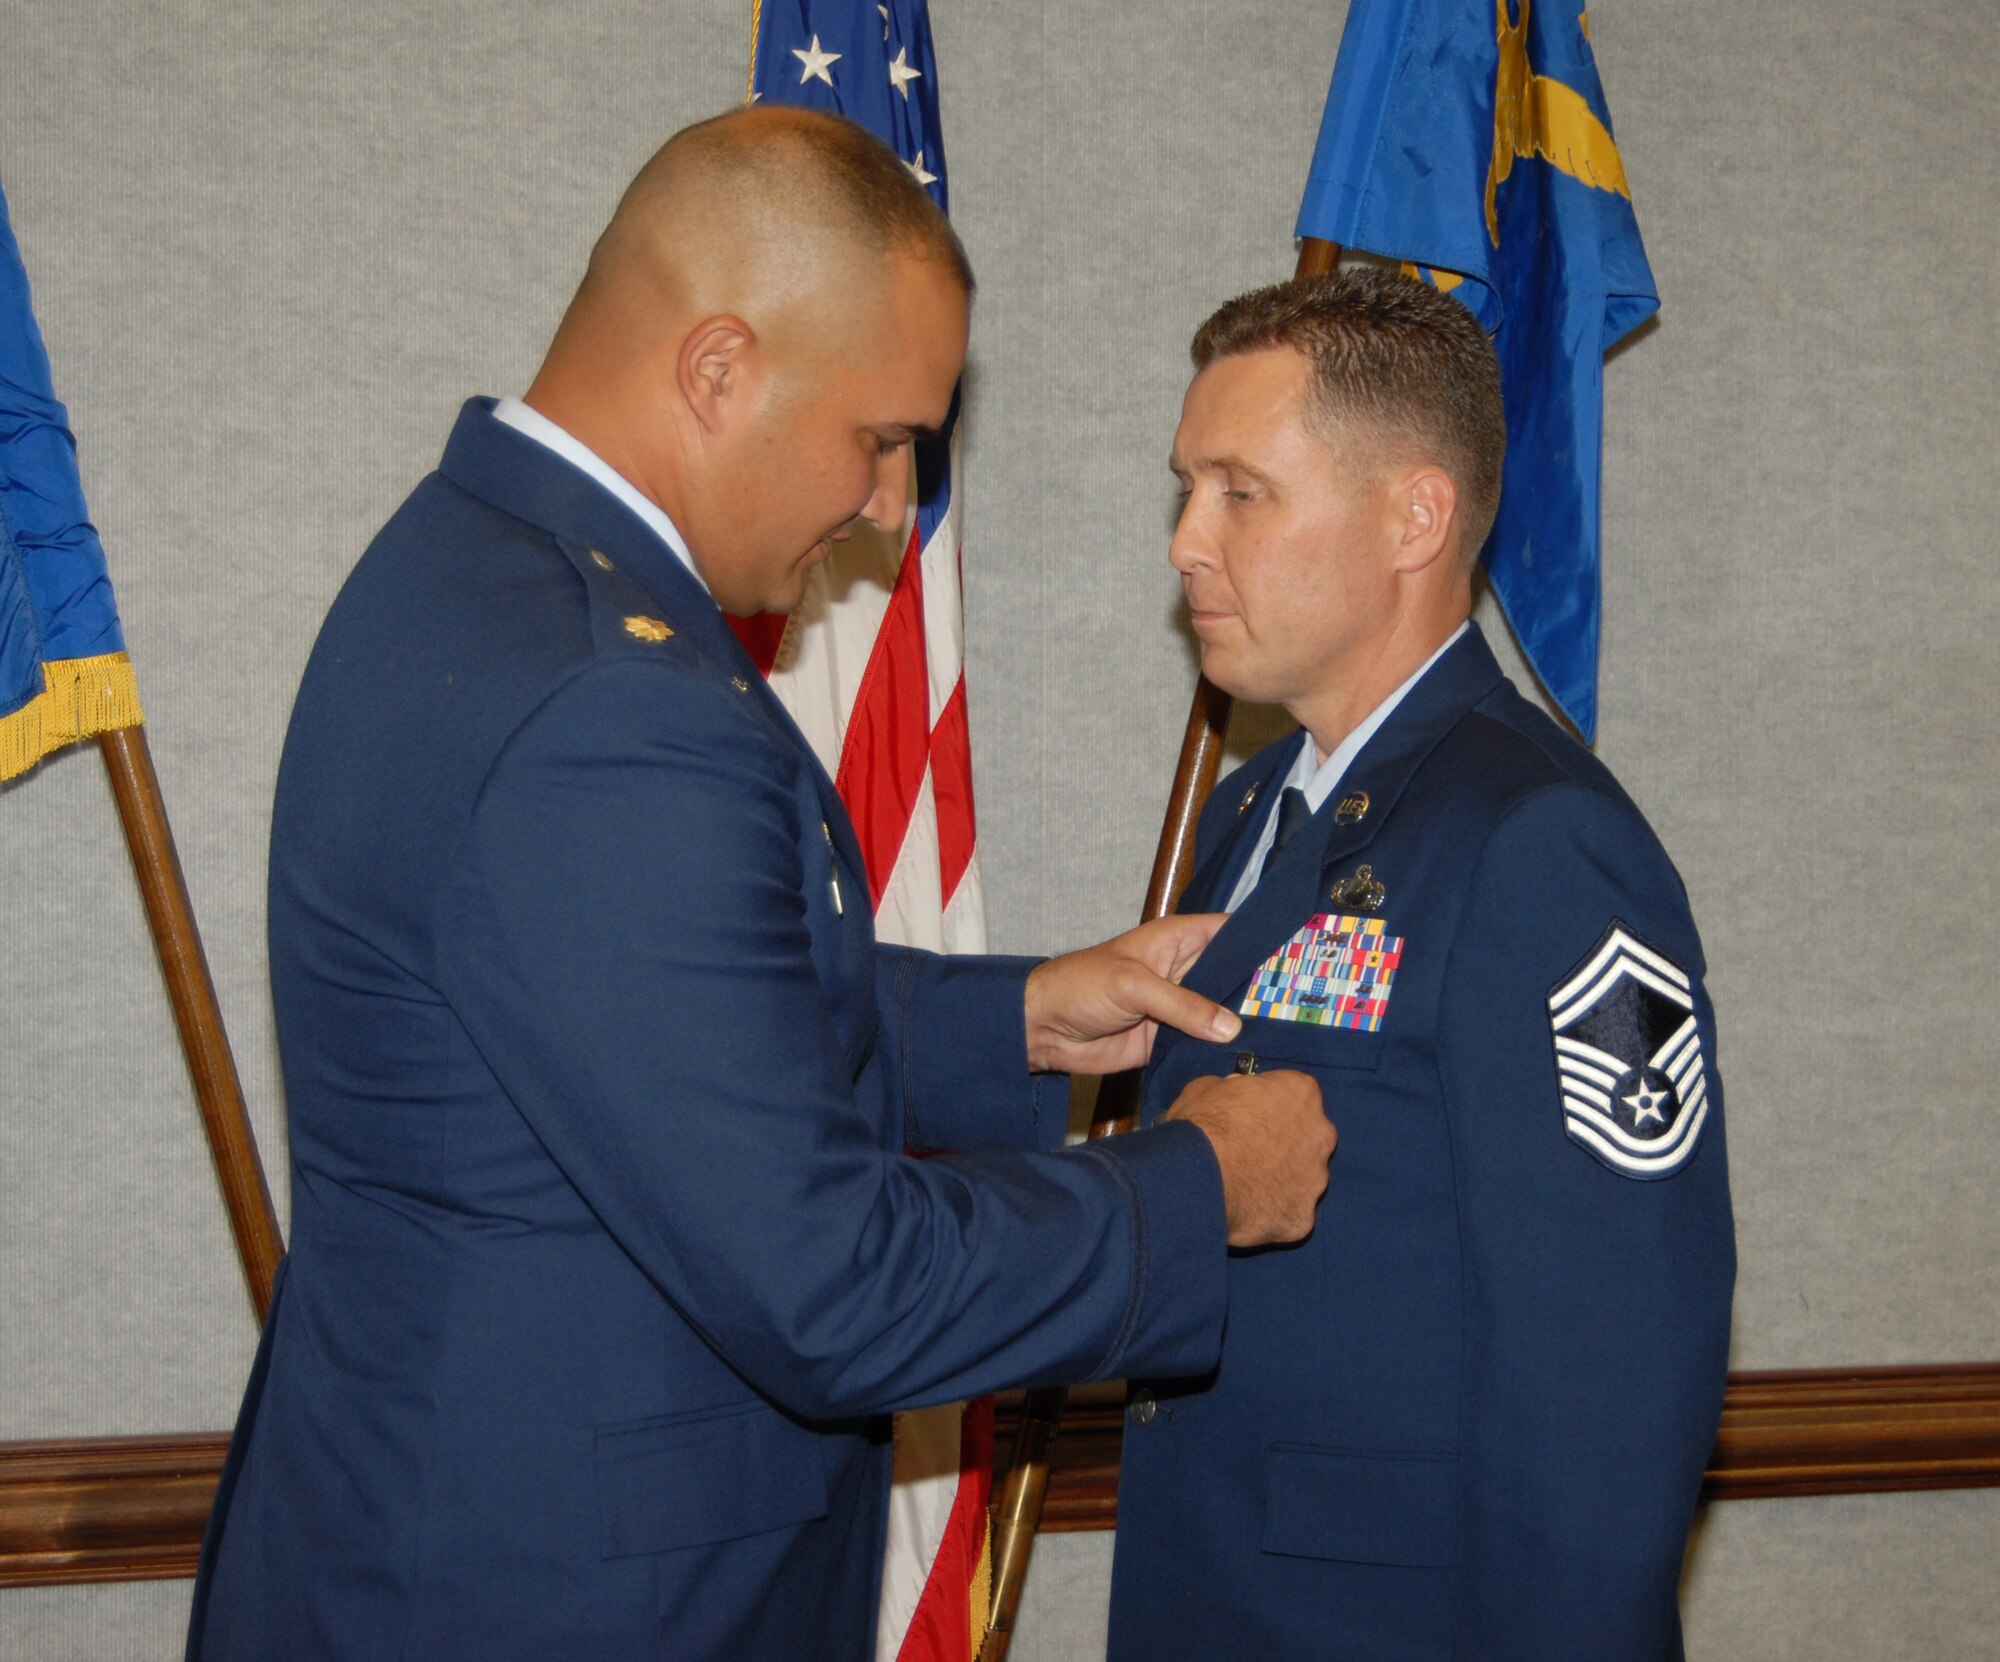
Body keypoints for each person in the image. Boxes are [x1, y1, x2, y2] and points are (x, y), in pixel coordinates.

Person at [184, 108, 1336, 1662]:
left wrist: (1021, 1023)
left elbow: (626, 1019)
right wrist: (1197, 1191)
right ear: (718, 369)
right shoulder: (610, 704)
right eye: (880, 439)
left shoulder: (464, 565)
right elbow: (834, 1287)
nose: (885, 505)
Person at [1107, 269, 1735, 1661]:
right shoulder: (1252, 812)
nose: (1187, 542)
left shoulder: (1544, 843)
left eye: (1240, 491)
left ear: (1415, 515)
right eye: (1185, 488)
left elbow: (1610, 1380)